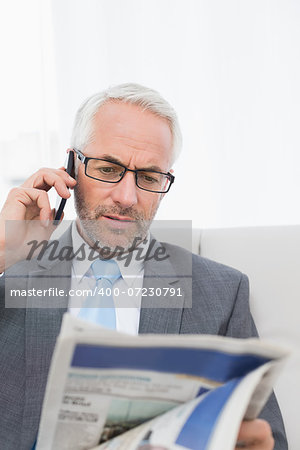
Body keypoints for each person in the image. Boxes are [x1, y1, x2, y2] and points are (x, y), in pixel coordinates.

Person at [0, 83, 286, 449]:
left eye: (149, 177)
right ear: (72, 166)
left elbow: (268, 439)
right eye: (108, 169)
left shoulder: (221, 294)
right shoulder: (14, 280)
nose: (126, 197)